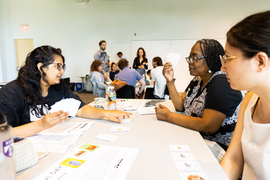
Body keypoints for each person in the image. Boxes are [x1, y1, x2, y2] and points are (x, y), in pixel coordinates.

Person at [0, 46, 131, 137]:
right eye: (58, 66)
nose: (62, 71)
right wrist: (41, 125)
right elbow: (3, 134)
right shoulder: (12, 93)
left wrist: (106, 114)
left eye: (63, 67)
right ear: (41, 68)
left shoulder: (59, 87)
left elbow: (80, 108)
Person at [155, 39, 243, 159]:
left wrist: (168, 116)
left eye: (195, 58)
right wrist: (170, 81)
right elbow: (180, 105)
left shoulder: (221, 82)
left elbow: (208, 126)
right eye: (189, 58)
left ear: (210, 59)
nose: (189, 62)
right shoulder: (197, 79)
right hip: (197, 140)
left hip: (219, 150)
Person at [220, 11, 270, 180]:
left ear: (260, 61)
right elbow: (234, 159)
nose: (223, 67)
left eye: (228, 58)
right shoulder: (250, 99)